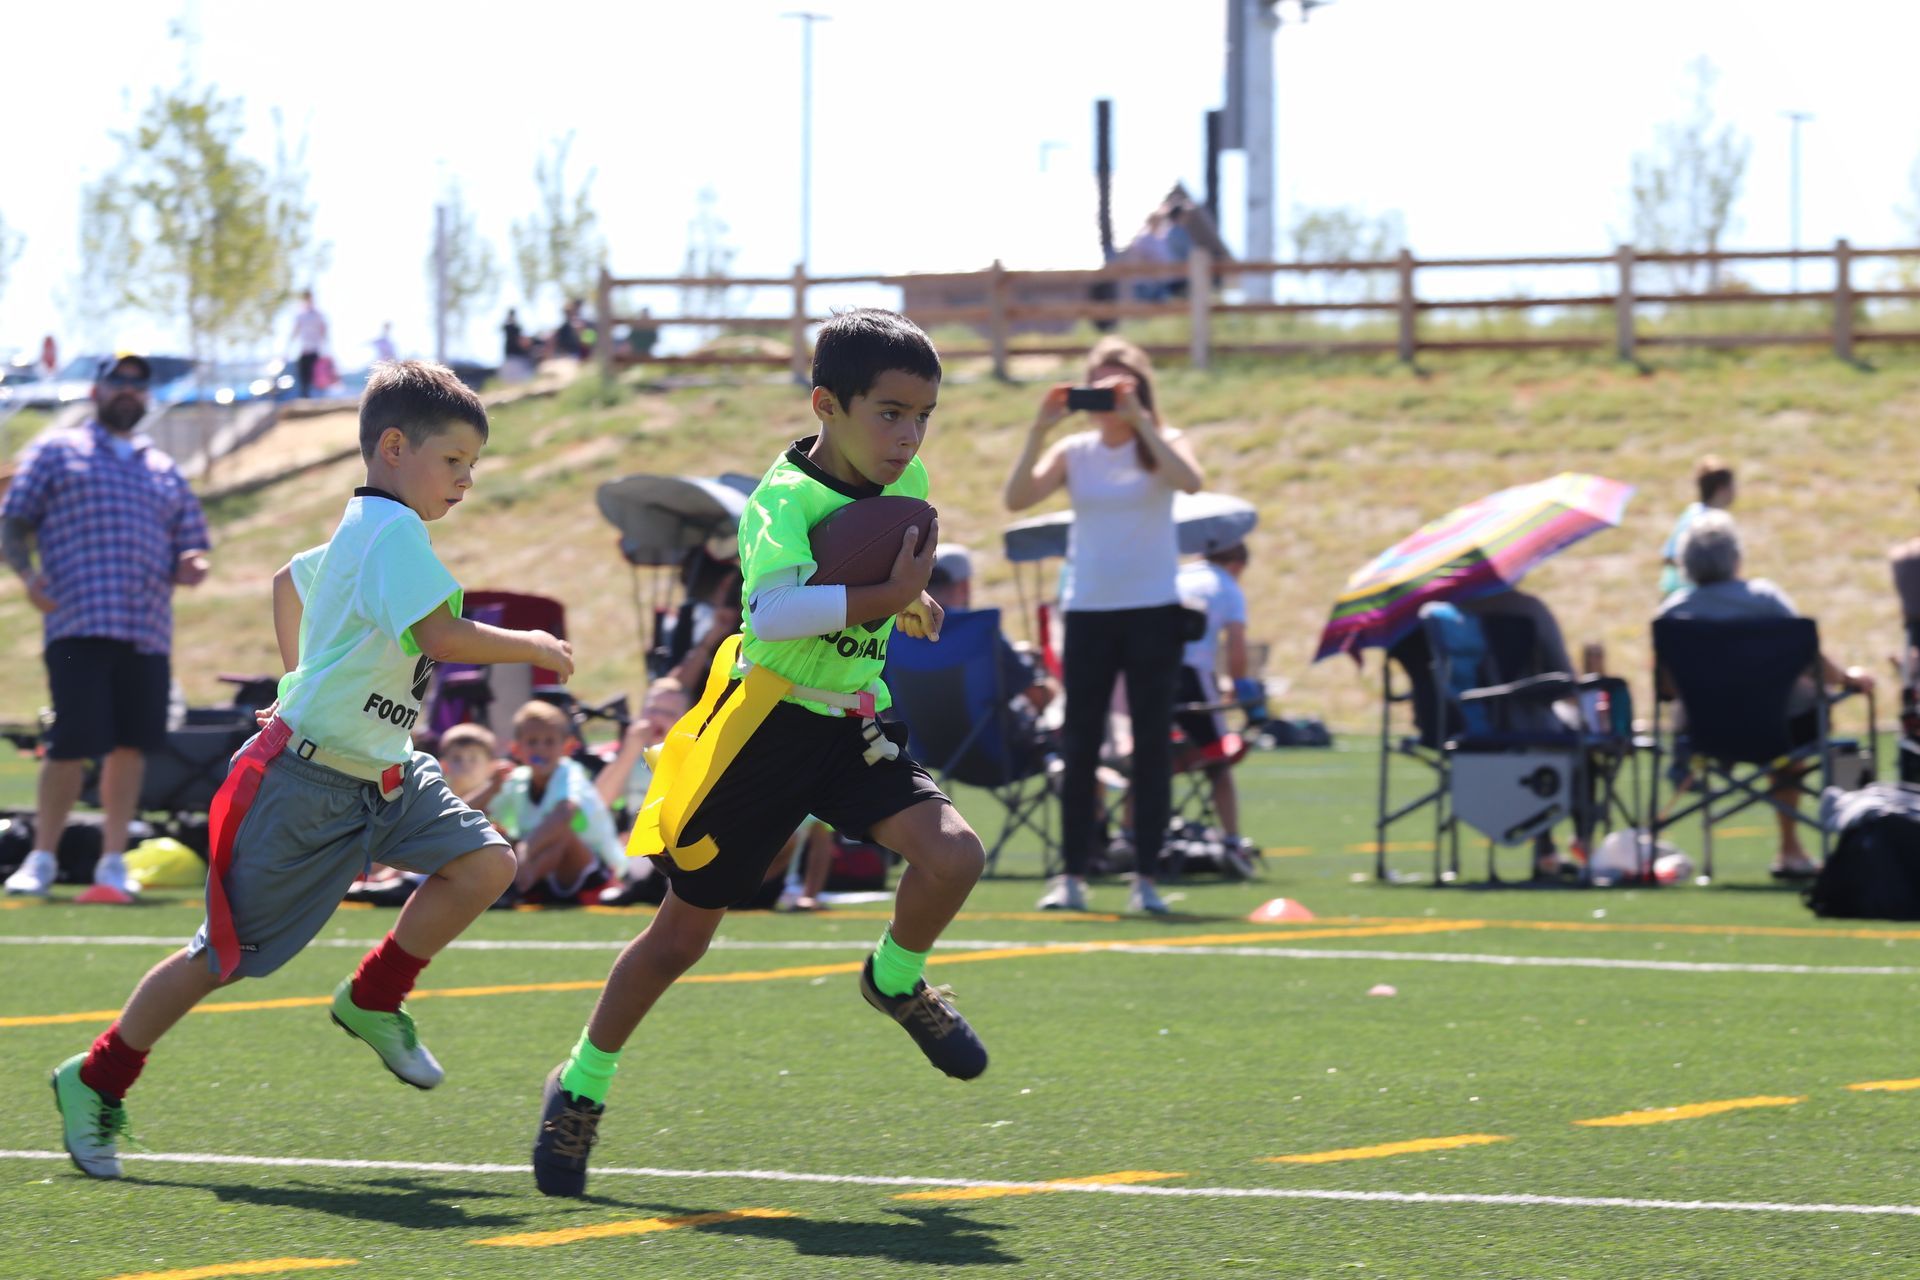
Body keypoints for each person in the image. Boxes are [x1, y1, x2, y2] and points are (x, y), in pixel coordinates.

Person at [45, 360, 575, 1180]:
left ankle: (374, 995)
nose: (466, 482)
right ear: (394, 447)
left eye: (474, 466)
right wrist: (534, 647)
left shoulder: (369, 530)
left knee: (485, 862)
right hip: (305, 787)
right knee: (219, 956)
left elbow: (287, 583)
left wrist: (297, 683)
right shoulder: (391, 533)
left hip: (386, 773)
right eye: (454, 462)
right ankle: (98, 1075)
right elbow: (442, 638)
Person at [530, 308, 990, 1199]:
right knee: (680, 936)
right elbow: (773, 613)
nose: (909, 435)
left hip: (853, 721)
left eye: (923, 415)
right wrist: (884, 593)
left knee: (956, 854)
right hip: (766, 728)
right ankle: (580, 1083)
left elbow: (877, 585)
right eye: (889, 413)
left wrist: (907, 604)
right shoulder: (782, 501)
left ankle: (895, 980)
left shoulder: (911, 480)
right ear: (827, 403)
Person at [1002, 335, 1205, 914]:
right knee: (1080, 742)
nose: (1109, 395)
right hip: (1088, 609)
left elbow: (1190, 481)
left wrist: (1142, 423)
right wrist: (1039, 428)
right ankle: (1071, 875)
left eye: (1120, 384)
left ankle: (1145, 877)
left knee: (1151, 747)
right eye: (1100, 383)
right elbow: (1016, 499)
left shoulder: (1163, 442)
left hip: (1154, 610)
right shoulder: (1075, 452)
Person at [2, 354, 212, 904]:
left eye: (138, 385)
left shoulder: (161, 466)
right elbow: (14, 522)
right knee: (69, 743)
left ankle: (113, 862)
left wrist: (191, 563)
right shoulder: (56, 451)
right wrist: (27, 576)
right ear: (97, 390)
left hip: (146, 630)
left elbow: (191, 542)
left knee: (129, 748)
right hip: (76, 623)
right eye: (118, 381)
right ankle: (42, 858)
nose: (128, 391)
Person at [1657, 510, 1872, 878]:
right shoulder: (1765, 599)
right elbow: (1811, 661)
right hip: (1780, 731)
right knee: (1833, 734)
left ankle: (1770, 850)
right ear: (1736, 558)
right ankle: (1838, 846)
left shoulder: (1672, 614)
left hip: (1706, 734)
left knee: (1784, 713)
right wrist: (1850, 680)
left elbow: (1665, 688)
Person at [491, 699, 625, 905]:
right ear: (517, 749)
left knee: (561, 833)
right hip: (541, 869)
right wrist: (491, 787)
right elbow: (481, 814)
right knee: (493, 833)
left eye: (549, 741)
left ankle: (515, 887)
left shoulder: (570, 773)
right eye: (532, 741)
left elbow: (565, 813)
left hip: (591, 872)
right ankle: (510, 886)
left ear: (567, 747)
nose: (541, 749)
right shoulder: (517, 779)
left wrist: (526, 849)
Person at [1174, 543, 1255, 871]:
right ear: (1236, 563)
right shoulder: (1226, 587)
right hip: (1192, 677)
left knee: (1149, 759)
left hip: (1150, 675)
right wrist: (1238, 687)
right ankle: (1232, 839)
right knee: (1218, 759)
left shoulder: (1175, 576)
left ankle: (1128, 833)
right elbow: (1236, 646)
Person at [1659, 455, 1735, 598]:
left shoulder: (1702, 515)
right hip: (1685, 597)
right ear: (1721, 489)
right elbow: (1669, 557)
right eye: (1733, 485)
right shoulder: (1700, 520)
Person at [289, 290, 330, 399]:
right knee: (303, 377)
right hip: (304, 349)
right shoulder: (300, 314)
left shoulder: (318, 314)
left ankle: (318, 398)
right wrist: (288, 347)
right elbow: (296, 330)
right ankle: (305, 398)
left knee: (316, 377)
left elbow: (323, 330)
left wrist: (327, 348)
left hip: (315, 349)